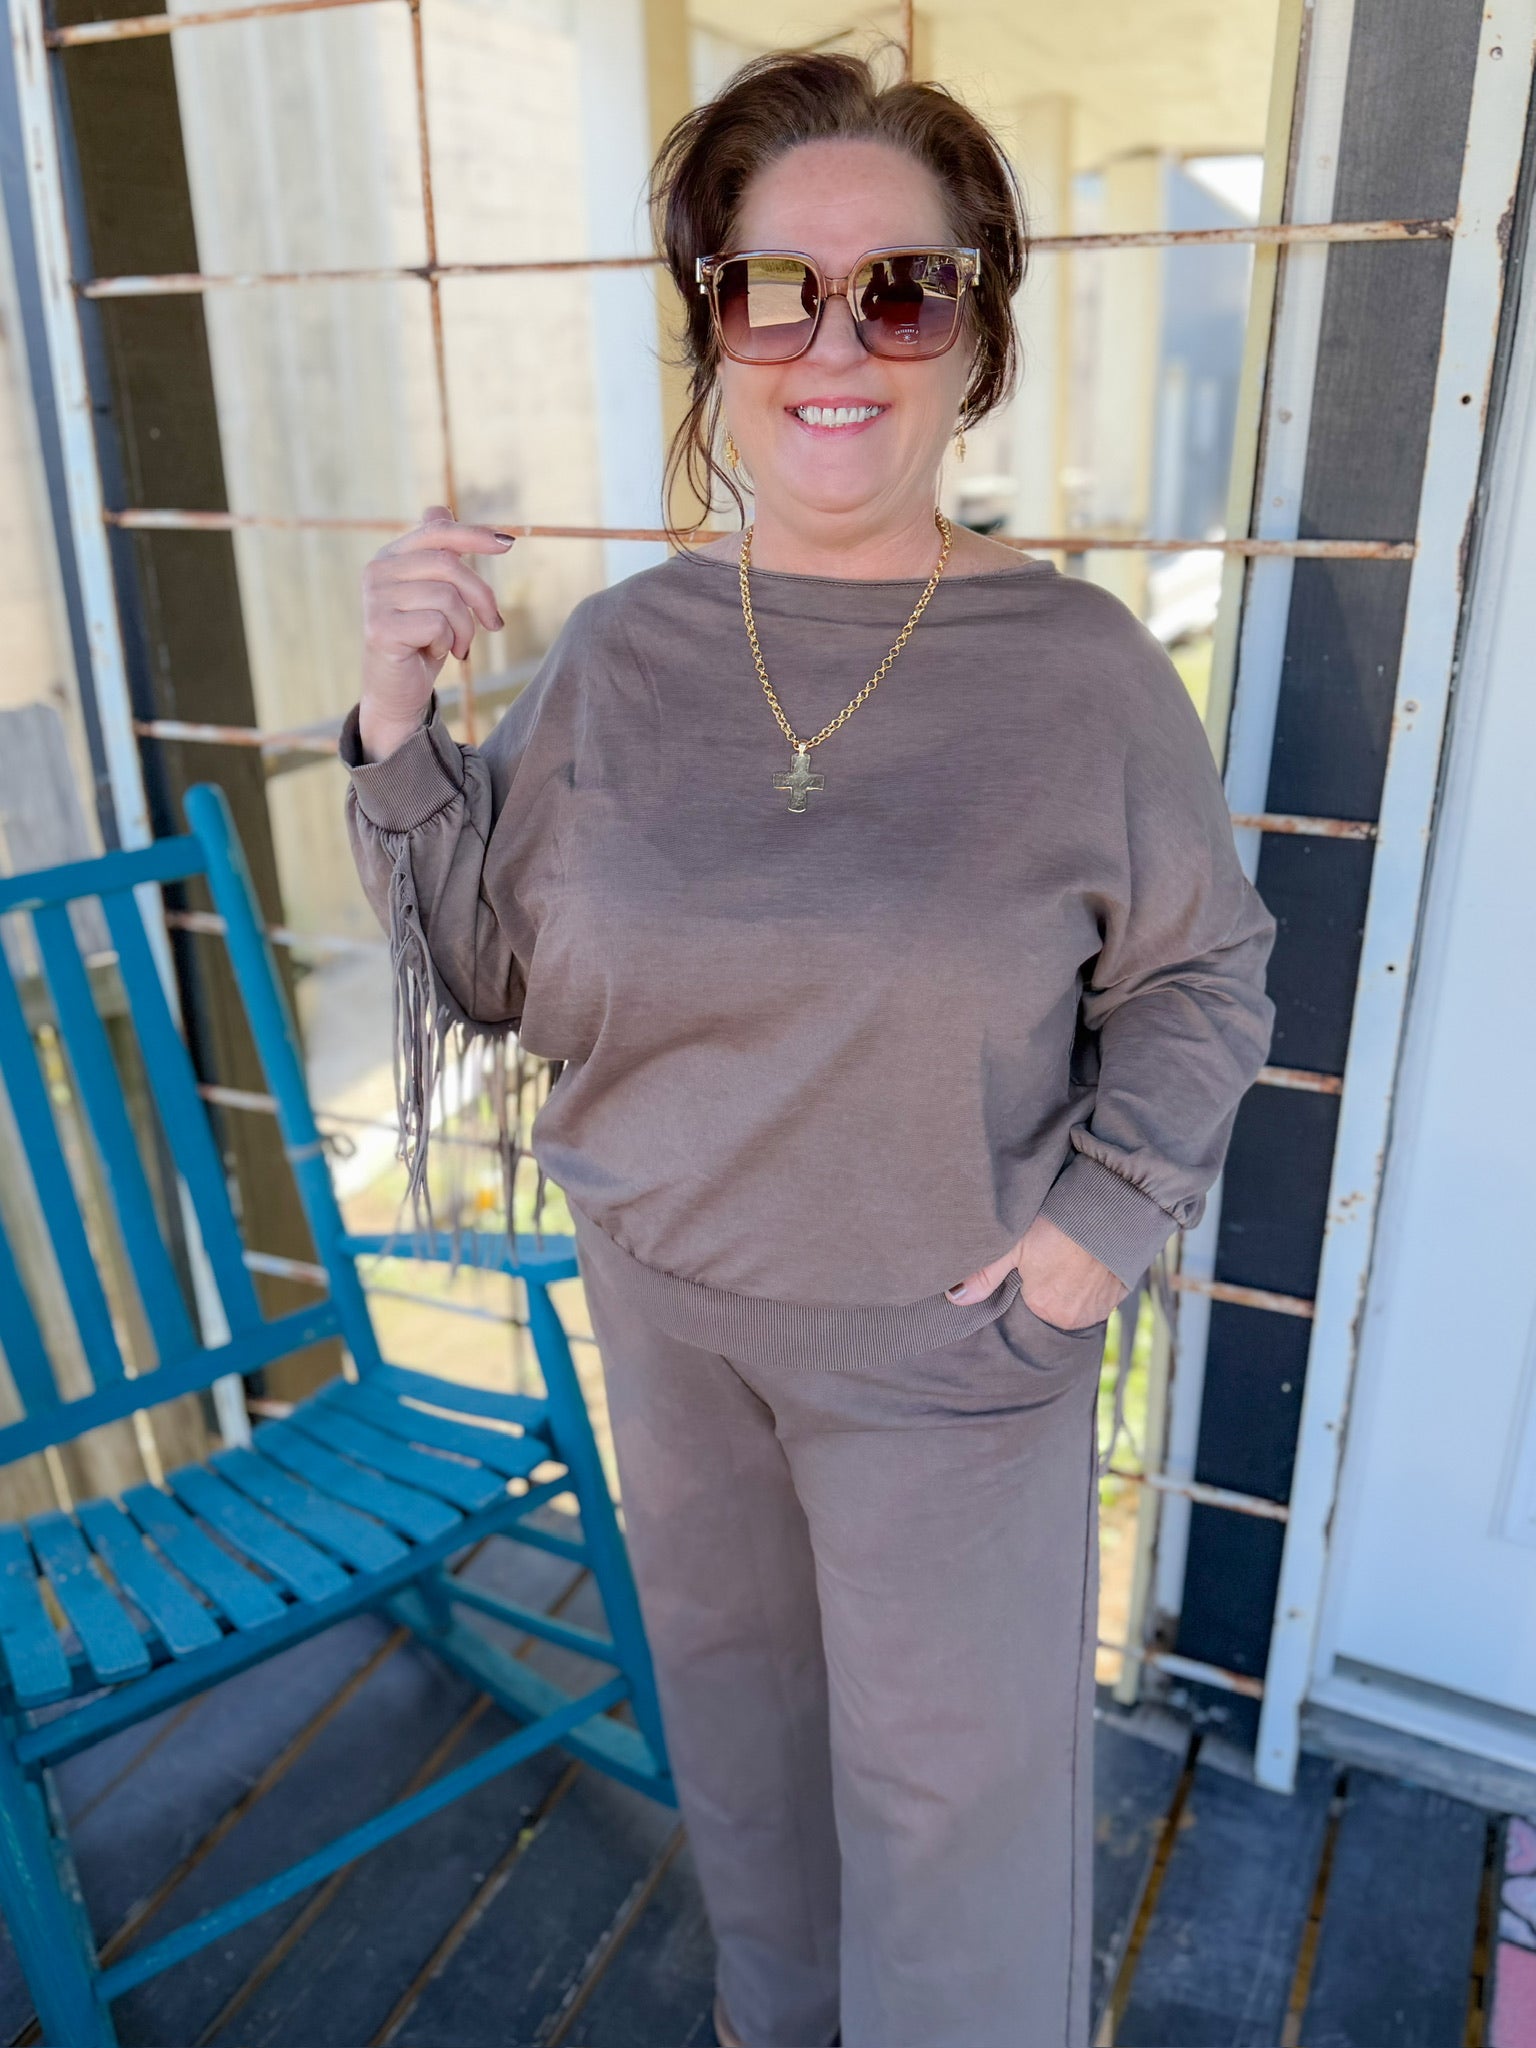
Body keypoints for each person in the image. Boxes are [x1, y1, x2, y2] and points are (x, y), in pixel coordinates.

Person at [338, 47, 1277, 2048]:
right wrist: (401, 719)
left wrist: (1090, 1236)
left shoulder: (1080, 674)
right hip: (670, 1319)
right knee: (752, 1788)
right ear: (715, 327)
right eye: (775, 288)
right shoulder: (621, 651)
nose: (836, 342)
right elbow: (494, 971)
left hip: (946, 1344)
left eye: (904, 289)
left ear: (976, 341)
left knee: (957, 1840)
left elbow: (1206, 979)